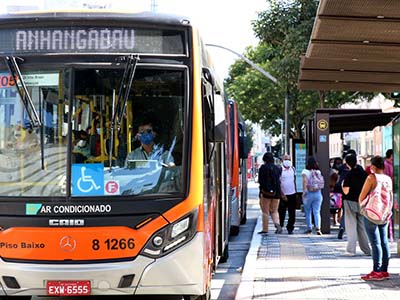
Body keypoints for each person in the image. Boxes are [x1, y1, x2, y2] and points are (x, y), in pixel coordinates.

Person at [359, 156, 392, 281]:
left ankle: (376, 271)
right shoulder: (387, 179)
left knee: (375, 243)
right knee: (384, 242)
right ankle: (384, 270)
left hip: (372, 214)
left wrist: (362, 207)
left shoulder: (371, 177)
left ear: (373, 166)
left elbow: (362, 196)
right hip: (384, 213)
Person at [341, 154, 371, 256]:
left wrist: (342, 186)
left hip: (350, 201)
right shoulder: (363, 173)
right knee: (362, 226)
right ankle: (367, 249)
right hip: (362, 202)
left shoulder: (349, 175)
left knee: (351, 225)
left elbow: (346, 191)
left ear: (348, 163)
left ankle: (350, 250)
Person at [258, 152, 282, 235]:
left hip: (266, 193)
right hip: (277, 192)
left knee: (265, 211)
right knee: (275, 210)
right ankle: (277, 224)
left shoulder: (263, 168)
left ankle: (265, 229)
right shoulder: (277, 168)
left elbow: (260, 181)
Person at [301, 156, 323, 235]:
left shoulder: (305, 172)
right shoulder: (318, 172)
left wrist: (304, 192)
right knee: (317, 211)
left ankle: (309, 228)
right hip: (318, 193)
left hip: (308, 193)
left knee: (308, 211)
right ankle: (318, 228)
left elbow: (304, 182)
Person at [278, 154, 297, 234]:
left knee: (292, 212)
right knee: (281, 212)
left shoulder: (293, 169)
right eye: (286, 159)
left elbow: (294, 180)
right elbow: (278, 183)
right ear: (282, 160)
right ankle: (280, 226)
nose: (287, 161)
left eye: (289, 159)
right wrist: (282, 194)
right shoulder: (280, 169)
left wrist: (296, 191)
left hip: (292, 193)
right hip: (283, 194)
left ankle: (290, 227)